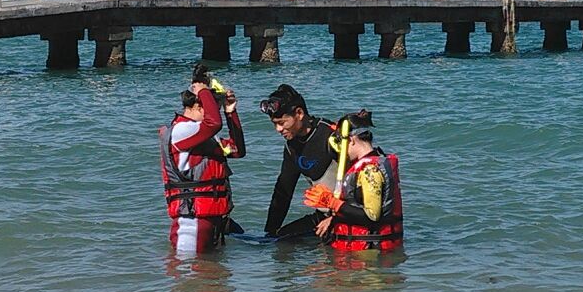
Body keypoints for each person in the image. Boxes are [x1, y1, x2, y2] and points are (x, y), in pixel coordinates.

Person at [159, 69, 245, 253]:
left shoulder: (201, 135)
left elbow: (237, 150)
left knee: (213, 279)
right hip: (192, 224)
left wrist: (231, 113)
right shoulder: (181, 131)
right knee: (189, 279)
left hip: (213, 221)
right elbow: (214, 123)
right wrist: (203, 91)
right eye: (213, 107)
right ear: (199, 106)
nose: (216, 112)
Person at [303, 110, 403, 252]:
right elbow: (357, 206)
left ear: (351, 140)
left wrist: (333, 203)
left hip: (370, 253)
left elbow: (372, 217)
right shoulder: (372, 162)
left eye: (340, 142)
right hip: (361, 251)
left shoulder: (370, 171)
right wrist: (334, 219)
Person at [259, 84, 338, 238]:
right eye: (274, 124)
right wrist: (269, 234)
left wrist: (336, 217)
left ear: (299, 113)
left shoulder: (330, 136)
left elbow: (359, 184)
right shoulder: (291, 147)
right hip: (323, 216)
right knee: (278, 240)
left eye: (281, 123)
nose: (278, 129)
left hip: (348, 216)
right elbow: (283, 193)